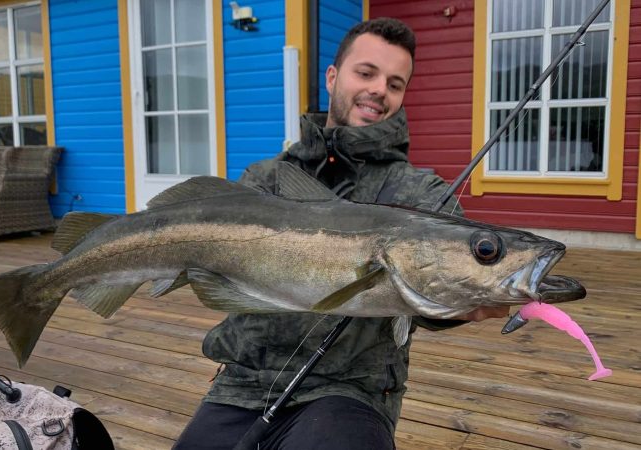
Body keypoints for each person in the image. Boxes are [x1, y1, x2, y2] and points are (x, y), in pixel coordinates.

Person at [174, 17, 509, 450]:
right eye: (366, 73)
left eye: (395, 83)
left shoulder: (422, 193)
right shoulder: (267, 179)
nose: (379, 91)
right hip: (243, 380)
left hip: (352, 389)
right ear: (333, 77)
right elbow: (217, 278)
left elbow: (429, 296)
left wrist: (461, 303)